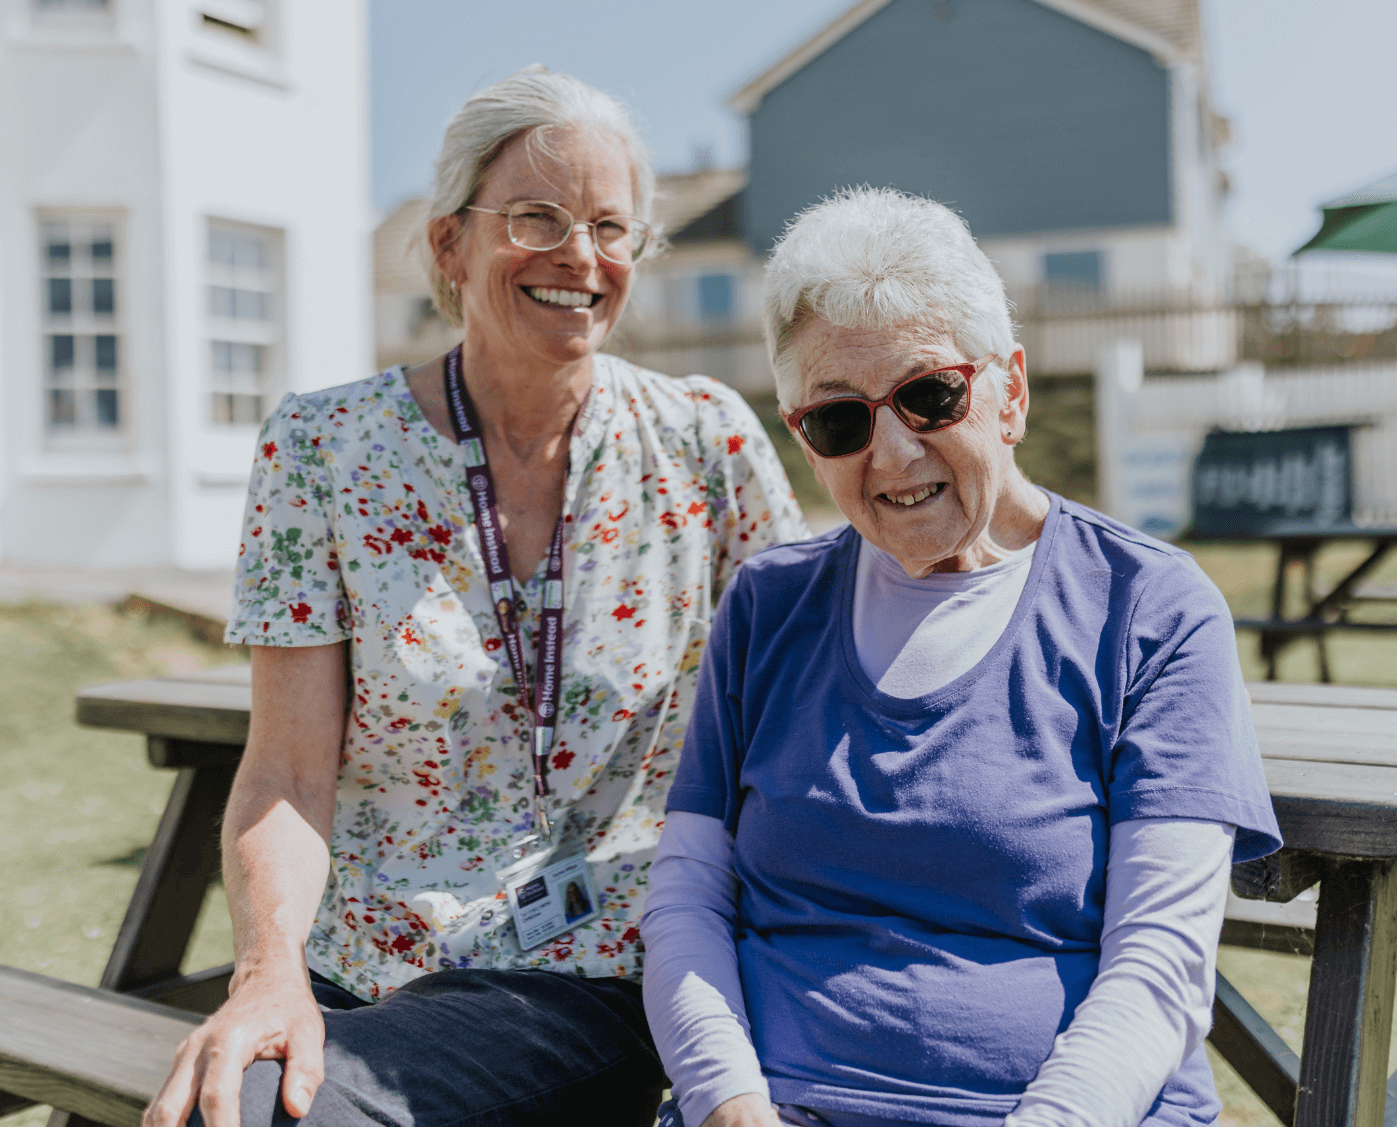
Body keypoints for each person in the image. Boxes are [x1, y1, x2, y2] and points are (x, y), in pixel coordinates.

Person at [144, 66, 807, 1127]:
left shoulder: (704, 440)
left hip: (594, 972)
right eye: (535, 219)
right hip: (359, 965)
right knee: (232, 1095)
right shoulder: (323, 448)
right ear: (448, 246)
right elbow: (284, 770)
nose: (579, 259)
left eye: (608, 228)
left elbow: (808, 699)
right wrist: (266, 970)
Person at [641, 187, 1282, 1127]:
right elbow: (687, 901)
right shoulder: (769, 606)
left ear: (1009, 391)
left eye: (930, 395)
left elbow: (1160, 964)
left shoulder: (1149, 606)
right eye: (840, 420)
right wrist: (728, 1102)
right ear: (801, 439)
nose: (894, 454)